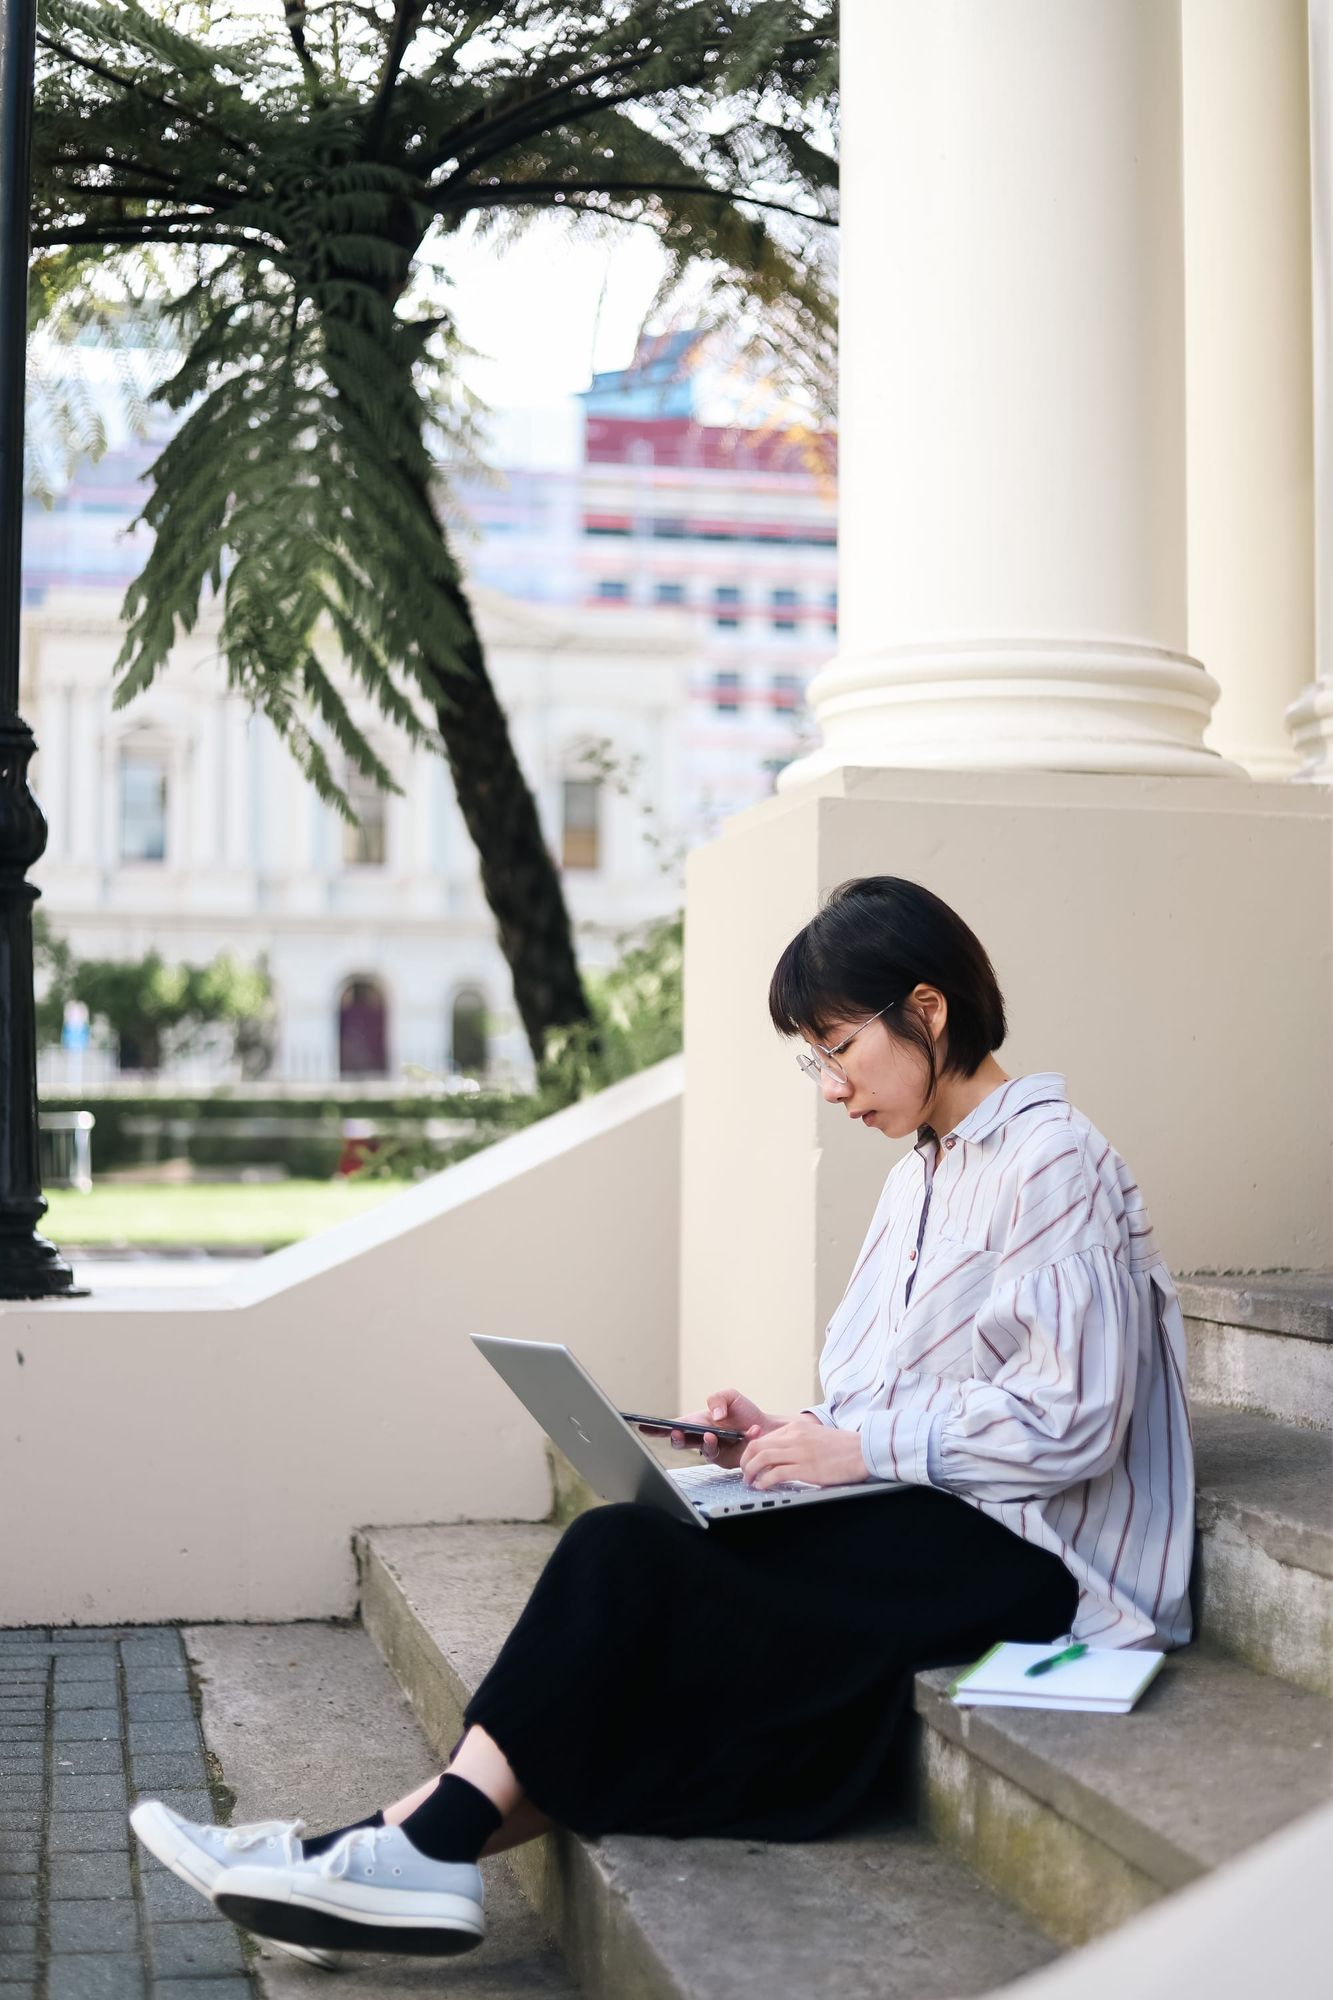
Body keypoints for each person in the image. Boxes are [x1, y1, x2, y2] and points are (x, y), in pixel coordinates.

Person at [129, 875, 1194, 1967]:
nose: (830, 1087)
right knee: (651, 1566)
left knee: (624, 1552)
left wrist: (855, 1447)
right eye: (813, 1059)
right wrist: (785, 1433)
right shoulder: (920, 1173)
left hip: (1037, 1560)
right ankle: (355, 1861)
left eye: (837, 1046)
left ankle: (376, 1852)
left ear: (927, 1009)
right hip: (933, 1512)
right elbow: (916, 1395)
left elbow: (1073, 1419)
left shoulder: (1049, 1157)